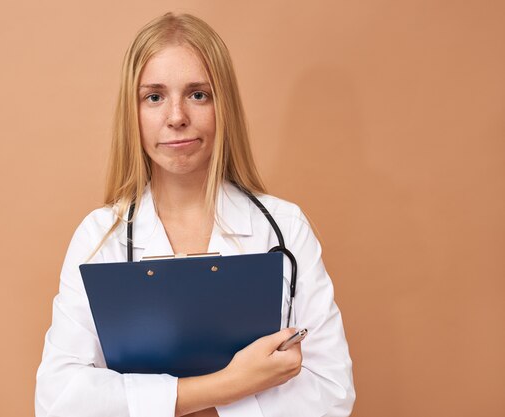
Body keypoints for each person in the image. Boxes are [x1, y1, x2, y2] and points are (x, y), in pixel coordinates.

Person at [35, 12, 355, 417]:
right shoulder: (101, 236)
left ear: (225, 106)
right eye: (154, 97)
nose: (176, 116)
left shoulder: (284, 228)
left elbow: (332, 393)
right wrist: (232, 383)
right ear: (132, 113)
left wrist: (148, 399)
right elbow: (59, 401)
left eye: (197, 94)